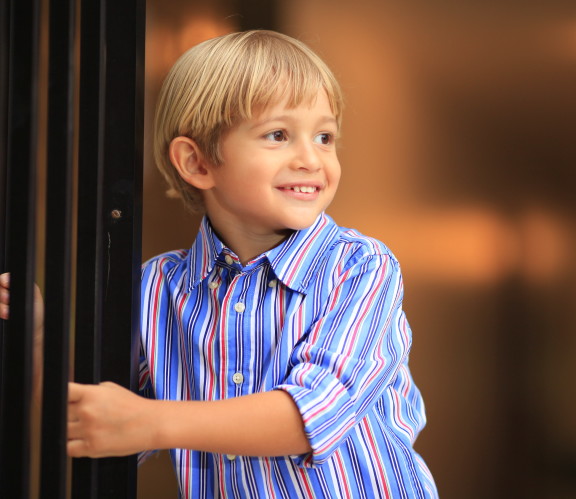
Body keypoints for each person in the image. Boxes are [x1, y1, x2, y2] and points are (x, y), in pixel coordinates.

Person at [1, 30, 436, 498]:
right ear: (198, 163)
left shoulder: (359, 267)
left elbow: (312, 415)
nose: (312, 158)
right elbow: (95, 422)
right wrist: (39, 337)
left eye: (325, 136)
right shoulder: (156, 288)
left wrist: (152, 421)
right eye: (278, 134)